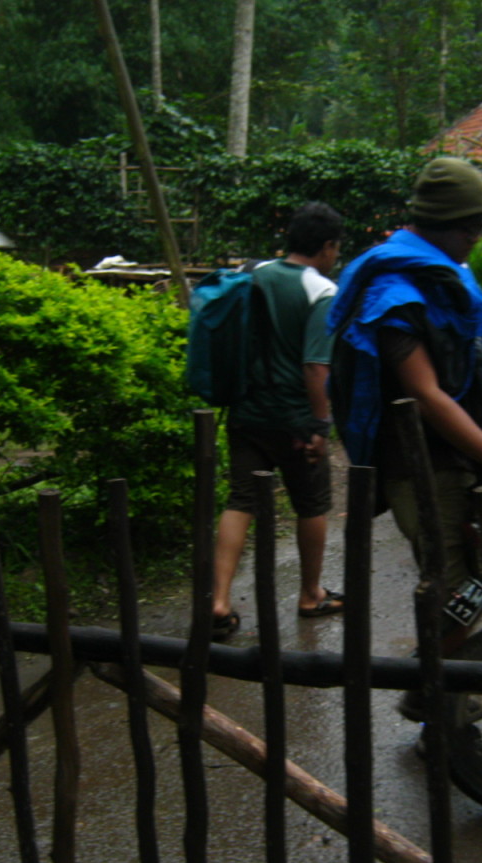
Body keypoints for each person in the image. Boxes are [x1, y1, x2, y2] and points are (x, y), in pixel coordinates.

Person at [327, 157, 482, 719]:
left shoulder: (438, 271)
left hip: (456, 458)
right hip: (419, 465)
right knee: (456, 589)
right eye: (473, 230)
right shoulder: (393, 292)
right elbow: (428, 395)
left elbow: (467, 355)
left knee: (472, 580)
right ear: (446, 226)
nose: (478, 242)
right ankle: (435, 701)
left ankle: (431, 689)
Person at [210, 202, 346, 640]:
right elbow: (314, 367)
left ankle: (218, 601)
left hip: (247, 410)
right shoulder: (320, 290)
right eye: (336, 248)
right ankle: (310, 594)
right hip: (293, 419)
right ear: (326, 247)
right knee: (312, 503)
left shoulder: (254, 273)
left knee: (241, 500)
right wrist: (320, 427)